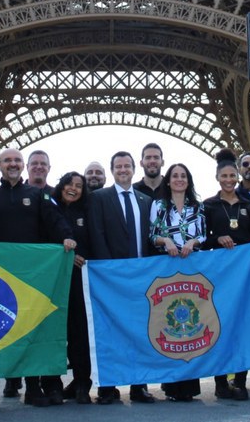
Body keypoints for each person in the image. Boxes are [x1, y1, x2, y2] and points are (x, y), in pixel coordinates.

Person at [0, 147, 76, 407]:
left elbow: (54, 220)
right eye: (7, 160)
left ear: (23, 166)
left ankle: (33, 388)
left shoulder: (38, 195)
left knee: (29, 328)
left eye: (16, 160)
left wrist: (66, 236)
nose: (12, 164)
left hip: (29, 275)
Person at [88, 151, 156, 405]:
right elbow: (97, 233)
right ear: (112, 170)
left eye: (127, 166)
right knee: (110, 333)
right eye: (118, 166)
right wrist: (108, 271)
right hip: (111, 278)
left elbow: (151, 239)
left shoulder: (145, 200)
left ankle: (140, 386)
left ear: (133, 168)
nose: (123, 170)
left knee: (141, 331)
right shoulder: (99, 198)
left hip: (141, 276)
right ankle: (108, 387)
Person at [203, 149, 250, 400]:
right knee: (218, 323)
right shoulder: (208, 206)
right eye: (225, 176)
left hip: (243, 275)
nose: (229, 179)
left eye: (233, 175)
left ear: (238, 175)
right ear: (218, 177)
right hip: (218, 274)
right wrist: (217, 238)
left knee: (241, 324)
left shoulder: (248, 206)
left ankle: (239, 381)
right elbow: (201, 238)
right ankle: (221, 382)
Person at [149, 163, 207, 402]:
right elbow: (152, 234)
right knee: (171, 324)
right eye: (175, 176)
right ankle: (172, 384)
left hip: (192, 269)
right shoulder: (159, 206)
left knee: (192, 321)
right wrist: (166, 242)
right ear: (168, 180)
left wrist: (192, 243)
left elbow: (203, 234)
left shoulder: (198, 206)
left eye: (184, 176)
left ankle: (190, 384)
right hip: (168, 270)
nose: (179, 179)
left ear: (189, 180)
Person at [52, 172, 93, 404]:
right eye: (69, 183)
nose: (73, 188)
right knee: (55, 333)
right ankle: (53, 384)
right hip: (54, 279)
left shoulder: (86, 211)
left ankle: (81, 383)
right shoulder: (49, 207)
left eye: (79, 185)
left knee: (79, 333)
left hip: (78, 280)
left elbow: (93, 240)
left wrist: (82, 256)